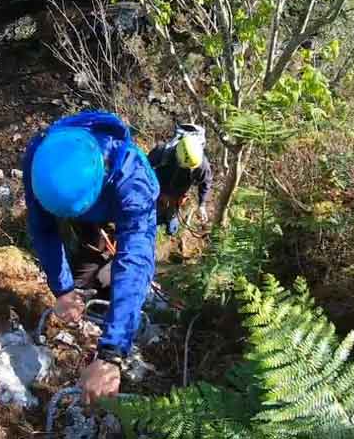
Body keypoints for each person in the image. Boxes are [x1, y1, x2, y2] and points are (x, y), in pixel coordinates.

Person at [22, 111, 159, 405]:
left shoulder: (134, 181)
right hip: (81, 211)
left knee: (123, 277)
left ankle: (119, 309)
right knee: (85, 277)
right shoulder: (41, 159)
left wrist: (112, 354)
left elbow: (135, 258)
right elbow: (42, 228)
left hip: (115, 206)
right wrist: (63, 289)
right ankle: (95, 283)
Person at [148, 123, 213, 235]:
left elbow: (206, 182)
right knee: (151, 220)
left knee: (172, 229)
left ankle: (170, 224)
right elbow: (145, 168)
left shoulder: (202, 165)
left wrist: (201, 205)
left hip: (177, 195)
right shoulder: (162, 152)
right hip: (157, 189)